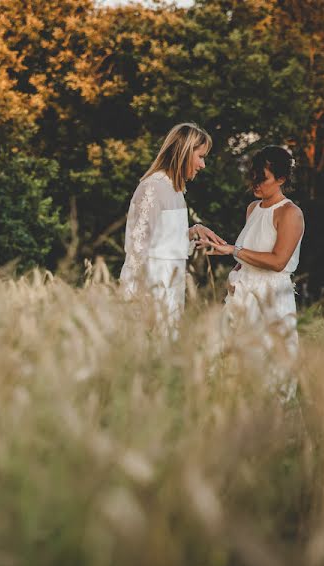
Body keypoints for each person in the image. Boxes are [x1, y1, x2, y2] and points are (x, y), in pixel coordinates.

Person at [199, 145, 304, 401]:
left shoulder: (290, 213)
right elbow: (248, 253)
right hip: (241, 296)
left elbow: (278, 261)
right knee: (229, 362)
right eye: (253, 175)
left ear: (281, 179)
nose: (255, 183)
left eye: (263, 178)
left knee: (269, 369)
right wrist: (233, 274)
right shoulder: (252, 209)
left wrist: (233, 250)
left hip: (271, 297)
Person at [119, 123, 225, 324]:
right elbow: (137, 249)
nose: (203, 165)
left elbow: (162, 241)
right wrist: (135, 300)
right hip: (151, 292)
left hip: (171, 290)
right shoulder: (152, 187)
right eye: (200, 157)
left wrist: (193, 231)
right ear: (184, 152)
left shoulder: (176, 191)